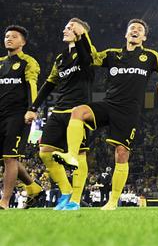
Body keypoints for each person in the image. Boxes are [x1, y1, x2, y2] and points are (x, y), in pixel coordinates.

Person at [53, 19, 158, 211]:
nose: (135, 30)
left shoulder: (151, 56)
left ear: (144, 37)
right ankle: (72, 156)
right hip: (109, 104)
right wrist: (83, 35)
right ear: (125, 34)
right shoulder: (112, 54)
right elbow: (91, 57)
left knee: (122, 153)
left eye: (139, 30)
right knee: (78, 111)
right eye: (131, 28)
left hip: (129, 111)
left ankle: (113, 201)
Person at [28, 18, 94, 211]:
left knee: (80, 154)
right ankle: (65, 192)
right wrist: (33, 107)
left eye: (70, 27)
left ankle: (75, 199)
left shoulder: (87, 52)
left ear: (80, 32)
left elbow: (85, 58)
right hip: (59, 110)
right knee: (44, 152)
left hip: (79, 111)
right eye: (65, 26)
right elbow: (49, 84)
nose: (65, 30)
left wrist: (81, 35)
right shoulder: (60, 58)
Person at [0, 25, 41, 208]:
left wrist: (32, 108)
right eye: (7, 36)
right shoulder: (1, 62)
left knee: (10, 157)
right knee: (6, 158)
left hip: (18, 115)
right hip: (1, 114)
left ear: (23, 42)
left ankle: (5, 201)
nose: (9, 39)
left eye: (14, 36)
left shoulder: (28, 62)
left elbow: (32, 85)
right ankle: (33, 187)